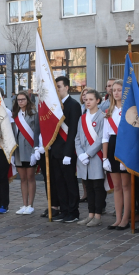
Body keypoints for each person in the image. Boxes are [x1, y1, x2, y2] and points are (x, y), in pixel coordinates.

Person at [48, 76, 82, 223]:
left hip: (67, 151)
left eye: (59, 87)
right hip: (55, 151)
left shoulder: (73, 105)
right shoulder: (54, 105)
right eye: (56, 87)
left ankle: (73, 212)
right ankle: (64, 209)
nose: (58, 90)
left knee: (70, 182)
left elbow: (73, 130)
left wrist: (69, 152)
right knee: (59, 182)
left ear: (67, 87)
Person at [102, 80, 131, 231]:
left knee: (126, 185)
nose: (116, 93)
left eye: (119, 90)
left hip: (125, 146)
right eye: (114, 90)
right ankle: (118, 218)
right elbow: (105, 137)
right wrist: (105, 157)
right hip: (113, 145)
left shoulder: (130, 110)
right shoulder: (109, 111)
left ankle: (126, 218)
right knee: (117, 186)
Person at [75, 88, 106, 226]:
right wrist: (81, 154)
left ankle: (98, 216)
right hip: (83, 158)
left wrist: (88, 153)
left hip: (96, 156)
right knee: (88, 187)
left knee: (97, 187)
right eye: (86, 99)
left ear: (98, 100)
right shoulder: (82, 118)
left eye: (91, 99)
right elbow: (77, 138)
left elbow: (101, 138)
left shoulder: (103, 116)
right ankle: (90, 214)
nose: (87, 102)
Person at [12, 91, 40, 215]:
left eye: (23, 99)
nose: (21, 102)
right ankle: (24, 204)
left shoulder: (34, 114)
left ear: (28, 100)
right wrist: (12, 154)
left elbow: (37, 133)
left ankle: (31, 205)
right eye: (18, 100)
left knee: (30, 177)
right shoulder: (15, 115)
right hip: (18, 151)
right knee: (22, 178)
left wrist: (35, 150)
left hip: (30, 150)